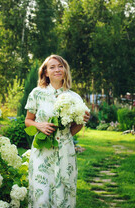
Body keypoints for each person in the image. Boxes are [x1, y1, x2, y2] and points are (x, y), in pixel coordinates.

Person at [25, 54, 90, 208]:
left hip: (65, 152)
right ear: (46, 72)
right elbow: (28, 121)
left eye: (60, 66)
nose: (57, 69)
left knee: (63, 196)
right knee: (41, 197)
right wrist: (39, 126)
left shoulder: (73, 97)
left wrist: (82, 121)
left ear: (65, 70)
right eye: (52, 67)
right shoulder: (36, 93)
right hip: (42, 152)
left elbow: (75, 128)